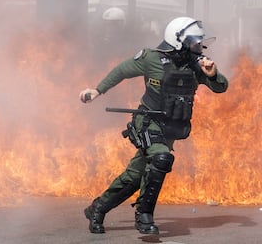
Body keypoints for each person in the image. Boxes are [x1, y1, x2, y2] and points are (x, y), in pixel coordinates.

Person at [79, 17, 228, 235]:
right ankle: (144, 216)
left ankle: (97, 208)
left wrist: (212, 74)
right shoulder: (151, 59)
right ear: (178, 41)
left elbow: (221, 87)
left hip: (170, 128)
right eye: (194, 42)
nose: (199, 46)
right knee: (161, 158)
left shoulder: (196, 66)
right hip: (147, 121)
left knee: (136, 175)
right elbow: (122, 70)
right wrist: (97, 90)